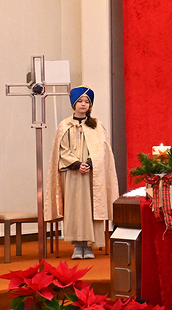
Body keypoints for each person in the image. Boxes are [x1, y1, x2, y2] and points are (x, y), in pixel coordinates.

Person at [46, 86, 120, 259]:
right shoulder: (65, 125)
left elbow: (102, 149)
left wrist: (89, 163)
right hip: (73, 174)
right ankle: (77, 245)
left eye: (87, 102)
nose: (83, 104)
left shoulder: (97, 125)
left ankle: (90, 245)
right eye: (80, 101)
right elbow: (61, 150)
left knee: (92, 207)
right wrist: (77, 164)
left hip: (92, 175)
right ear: (74, 103)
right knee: (75, 208)